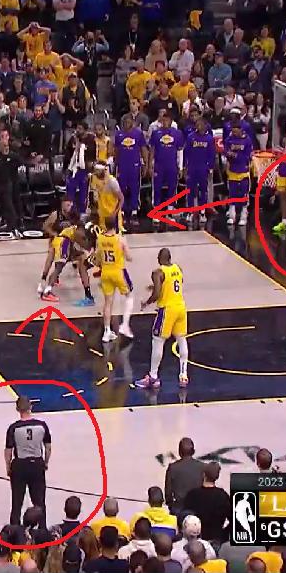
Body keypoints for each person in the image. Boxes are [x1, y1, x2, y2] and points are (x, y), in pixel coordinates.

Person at [136, 248, 189, 389]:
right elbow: (176, 283)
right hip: (181, 307)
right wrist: (156, 286)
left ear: (159, 258)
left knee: (158, 340)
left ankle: (153, 377)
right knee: (181, 339)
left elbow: (157, 294)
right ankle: (183, 375)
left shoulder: (158, 272)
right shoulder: (178, 268)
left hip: (167, 310)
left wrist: (146, 302)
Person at [6, 396, 51, 529]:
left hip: (20, 464)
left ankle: (14, 531)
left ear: (17, 409)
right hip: (36, 463)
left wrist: (8, 467)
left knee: (17, 502)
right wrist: (45, 462)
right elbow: (48, 447)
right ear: (30, 407)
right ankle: (42, 530)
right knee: (39, 502)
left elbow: (8, 450)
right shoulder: (41, 425)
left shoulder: (14, 428)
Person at [97, 216, 134, 343]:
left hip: (105, 272)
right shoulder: (120, 239)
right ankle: (125, 325)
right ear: (116, 225)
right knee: (129, 296)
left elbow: (98, 258)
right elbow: (129, 257)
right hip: (118, 272)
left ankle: (107, 332)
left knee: (108, 303)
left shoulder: (100, 238)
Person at [113, 114, 147, 218]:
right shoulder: (118, 134)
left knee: (135, 187)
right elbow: (116, 150)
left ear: (133, 122)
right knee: (121, 187)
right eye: (125, 122)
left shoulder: (138, 134)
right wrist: (115, 162)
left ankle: (134, 210)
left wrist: (145, 164)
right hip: (122, 165)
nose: (127, 124)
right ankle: (122, 209)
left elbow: (143, 149)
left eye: (129, 122)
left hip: (134, 165)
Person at [223, 119, 254, 226]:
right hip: (232, 171)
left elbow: (249, 155)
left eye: (236, 131)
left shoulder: (247, 140)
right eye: (233, 131)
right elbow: (225, 151)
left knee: (243, 194)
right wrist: (229, 154)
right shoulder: (229, 140)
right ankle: (232, 216)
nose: (234, 133)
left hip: (244, 171)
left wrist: (240, 157)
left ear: (241, 130)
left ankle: (243, 216)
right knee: (232, 194)